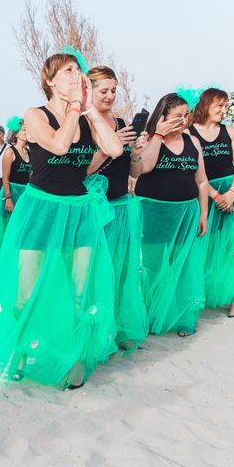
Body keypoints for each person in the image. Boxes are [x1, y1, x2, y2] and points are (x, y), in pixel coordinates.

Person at [0, 53, 123, 389]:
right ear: (51, 81)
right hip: (41, 211)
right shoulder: (35, 115)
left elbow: (113, 150)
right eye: (67, 71)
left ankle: (74, 357)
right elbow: (57, 145)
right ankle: (21, 350)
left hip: (79, 212)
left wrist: (89, 112)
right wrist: (73, 110)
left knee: (79, 292)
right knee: (26, 292)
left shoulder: (86, 115)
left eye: (77, 71)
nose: (75, 76)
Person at [134, 93, 209, 337]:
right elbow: (143, 168)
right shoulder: (148, 139)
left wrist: (203, 214)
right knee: (153, 267)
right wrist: (158, 134)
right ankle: (149, 315)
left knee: (182, 266)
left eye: (186, 114)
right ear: (163, 116)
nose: (184, 119)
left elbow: (202, 182)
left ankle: (181, 317)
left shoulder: (193, 143)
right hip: (153, 212)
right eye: (178, 115)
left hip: (186, 213)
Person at [86, 65, 149, 350]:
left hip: (123, 206)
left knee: (121, 271)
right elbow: (82, 171)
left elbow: (133, 172)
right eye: (104, 90)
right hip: (96, 209)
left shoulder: (123, 125)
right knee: (96, 272)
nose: (110, 96)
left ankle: (117, 327)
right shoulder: (84, 124)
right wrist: (109, 147)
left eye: (113, 90)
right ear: (89, 90)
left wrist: (134, 153)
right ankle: (94, 331)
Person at [189, 88, 234, 317]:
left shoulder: (231, 132)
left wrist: (232, 193)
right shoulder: (190, 133)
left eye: (225, 106)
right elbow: (194, 174)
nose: (223, 110)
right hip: (204, 192)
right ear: (206, 104)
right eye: (219, 105)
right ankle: (201, 294)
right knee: (204, 244)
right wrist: (216, 196)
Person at [0, 119, 31, 261]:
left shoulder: (30, 152)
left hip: (26, 194)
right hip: (12, 193)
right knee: (7, 228)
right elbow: (5, 177)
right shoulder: (9, 152)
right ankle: (4, 258)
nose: (27, 132)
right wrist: (8, 197)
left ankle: (18, 258)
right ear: (16, 133)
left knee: (22, 228)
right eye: (24, 130)